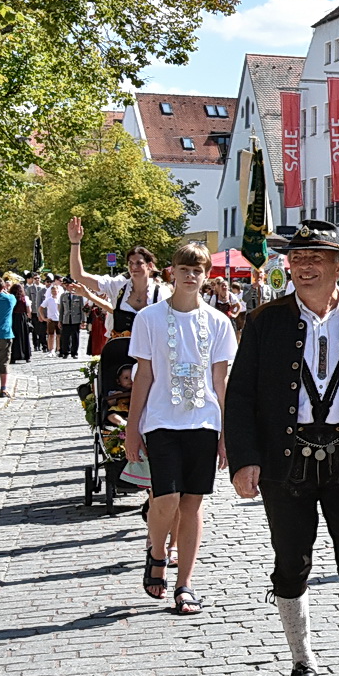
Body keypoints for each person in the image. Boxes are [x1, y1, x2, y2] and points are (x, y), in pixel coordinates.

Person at [223, 219, 339, 676]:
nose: (303, 266)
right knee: (290, 563)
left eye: (314, 259)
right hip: (286, 459)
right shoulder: (264, 321)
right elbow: (239, 398)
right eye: (297, 259)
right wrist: (243, 460)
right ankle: (302, 663)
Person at [124, 243, 237, 616]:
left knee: (192, 504)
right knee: (166, 498)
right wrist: (132, 428)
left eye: (198, 270)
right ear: (171, 271)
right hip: (161, 421)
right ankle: (157, 550)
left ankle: (184, 583)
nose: (191, 276)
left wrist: (226, 433)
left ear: (207, 276)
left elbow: (221, 382)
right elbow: (144, 376)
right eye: (185, 269)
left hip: (203, 421)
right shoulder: (150, 319)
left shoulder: (219, 322)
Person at [67, 217, 169, 337]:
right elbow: (78, 275)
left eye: (139, 263)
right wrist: (75, 243)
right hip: (119, 351)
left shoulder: (162, 292)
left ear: (150, 266)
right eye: (130, 263)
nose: (133, 267)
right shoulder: (118, 285)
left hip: (150, 352)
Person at [57, 281, 86, 359]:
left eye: (71, 287)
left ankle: (74, 352)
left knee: (75, 337)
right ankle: (65, 352)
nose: (70, 288)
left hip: (75, 319)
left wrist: (83, 320)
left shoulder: (78, 296)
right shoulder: (63, 296)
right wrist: (60, 320)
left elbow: (82, 308)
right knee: (65, 337)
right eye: (68, 287)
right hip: (66, 319)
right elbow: (61, 309)